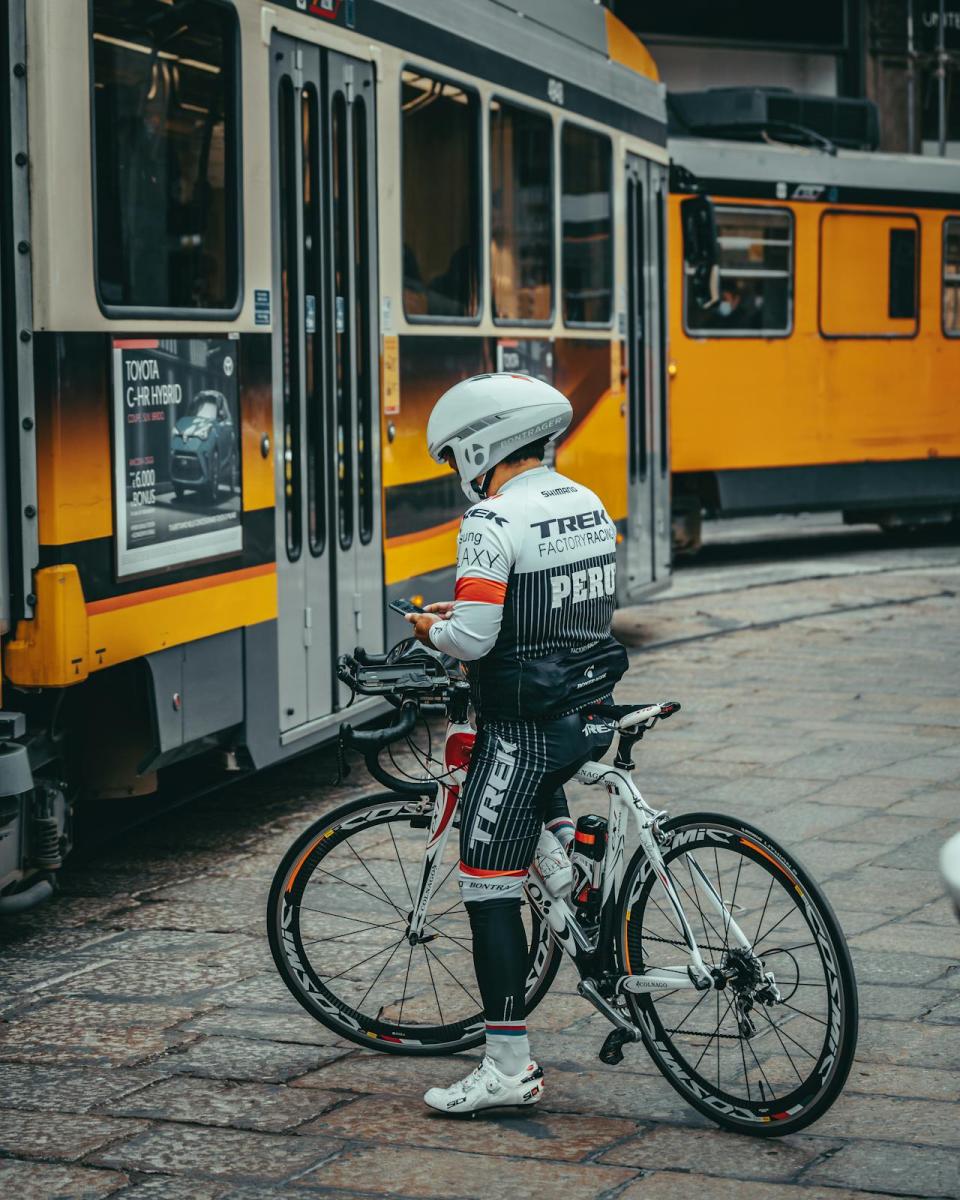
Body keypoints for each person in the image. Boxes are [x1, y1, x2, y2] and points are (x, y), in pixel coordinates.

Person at [405, 372, 621, 1114]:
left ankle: (506, 1067)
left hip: (523, 724)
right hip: (587, 707)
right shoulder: (583, 502)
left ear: (478, 445)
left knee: (487, 888)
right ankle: (578, 880)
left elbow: (473, 635)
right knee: (535, 812)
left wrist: (431, 627)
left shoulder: (492, 520)